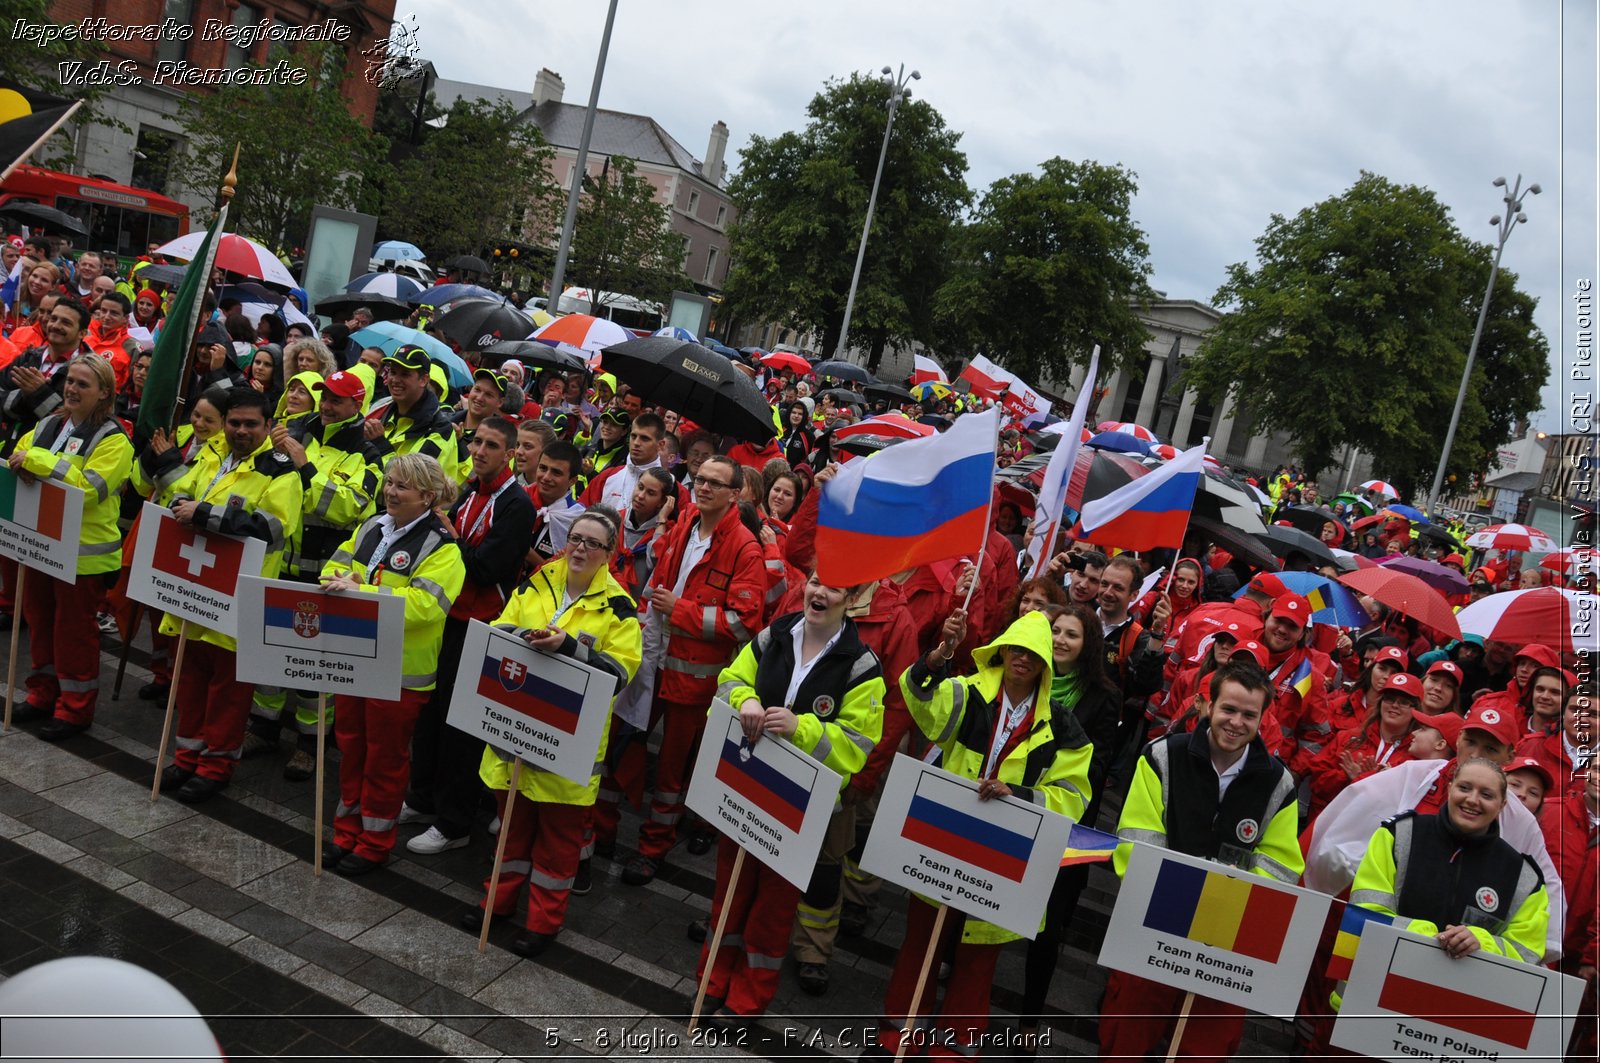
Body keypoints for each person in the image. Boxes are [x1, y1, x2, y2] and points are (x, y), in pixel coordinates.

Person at [868, 609, 1091, 1058]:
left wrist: (1021, 796)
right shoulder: (966, 692)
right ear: (1002, 650)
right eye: (1015, 648)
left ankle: (951, 1053)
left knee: (976, 963)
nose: (1021, 658)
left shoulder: (1065, 730)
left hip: (1004, 855)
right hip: (945, 838)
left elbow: (1073, 798)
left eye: (1032, 653)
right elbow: (917, 698)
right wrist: (936, 660)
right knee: (920, 948)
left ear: (1045, 664)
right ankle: (896, 1043)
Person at [698, 572, 884, 1021]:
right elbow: (729, 679)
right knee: (730, 891)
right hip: (745, 785)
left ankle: (747, 1000)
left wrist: (803, 729)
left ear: (853, 597)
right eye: (817, 581)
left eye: (836, 587)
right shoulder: (774, 634)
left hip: (797, 807)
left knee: (774, 909)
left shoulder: (862, 666)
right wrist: (744, 699)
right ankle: (712, 981)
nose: (820, 592)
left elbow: (858, 744)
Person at [1099, 659, 1301, 1061]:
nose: (1236, 722)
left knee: (1203, 1049)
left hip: (1226, 944)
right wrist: (1192, 891)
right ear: (1207, 706)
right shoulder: (1161, 755)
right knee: (1125, 1039)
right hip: (1156, 923)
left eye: (1249, 714)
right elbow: (1136, 839)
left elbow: (1281, 866)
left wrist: (1231, 895)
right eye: (1228, 709)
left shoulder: (1279, 783)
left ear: (1263, 719)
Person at [464, 509, 641, 955]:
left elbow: (620, 674)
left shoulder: (620, 607)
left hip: (567, 743)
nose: (580, 548)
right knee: (510, 831)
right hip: (515, 728)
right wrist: (526, 635)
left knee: (558, 847)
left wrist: (568, 647)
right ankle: (496, 904)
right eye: (575, 539)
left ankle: (543, 923)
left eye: (592, 543)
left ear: (609, 553)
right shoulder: (537, 581)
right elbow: (501, 626)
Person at [604, 455, 766, 885]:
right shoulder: (685, 526)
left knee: (673, 770)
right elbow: (656, 581)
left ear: (735, 494)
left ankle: (653, 847)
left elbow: (743, 622)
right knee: (622, 740)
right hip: (651, 661)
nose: (704, 487)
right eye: (699, 480)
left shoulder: (745, 547)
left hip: (693, 680)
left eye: (715, 482)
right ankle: (602, 829)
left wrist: (684, 611)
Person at [319, 453, 464, 875]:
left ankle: (374, 842)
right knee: (350, 749)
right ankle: (346, 832)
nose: (390, 491)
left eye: (401, 486)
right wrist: (337, 581)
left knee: (385, 759)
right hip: (356, 657)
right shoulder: (371, 525)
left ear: (427, 496)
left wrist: (360, 591)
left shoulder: (443, 546)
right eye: (389, 482)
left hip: (400, 673)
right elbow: (337, 563)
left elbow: (426, 607)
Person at [156, 388, 303, 803]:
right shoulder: (214, 456)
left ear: (269, 426)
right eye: (234, 423)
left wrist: (202, 514)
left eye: (250, 424)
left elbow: (270, 527)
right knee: (191, 682)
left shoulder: (281, 471)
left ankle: (217, 765)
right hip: (195, 590)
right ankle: (187, 757)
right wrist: (185, 500)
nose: (240, 430)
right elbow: (180, 490)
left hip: (239, 598)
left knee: (227, 693)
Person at [404, 416, 536, 855]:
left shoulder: (517, 504)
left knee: (460, 725)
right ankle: (421, 797)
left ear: (510, 453)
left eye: (491, 445)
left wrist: (448, 532)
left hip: (481, 625)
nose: (479, 450)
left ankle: (454, 822)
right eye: (476, 441)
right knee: (428, 713)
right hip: (447, 615)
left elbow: (484, 568)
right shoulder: (465, 491)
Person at [245, 370, 382, 776]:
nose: (325, 405)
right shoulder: (297, 430)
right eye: (324, 397)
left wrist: (306, 470)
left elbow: (350, 509)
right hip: (280, 562)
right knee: (270, 653)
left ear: (357, 404)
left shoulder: (369, 452)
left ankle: (311, 742)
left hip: (323, 574)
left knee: (316, 663)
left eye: (336, 400)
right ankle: (262, 727)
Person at [1339, 760, 1548, 1012]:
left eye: (1487, 794)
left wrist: (1481, 942)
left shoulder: (1524, 878)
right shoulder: (1398, 835)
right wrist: (1429, 937)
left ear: (1502, 805)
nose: (1472, 800)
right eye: (1464, 787)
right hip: (1367, 1003)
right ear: (1449, 788)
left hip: (1451, 1024)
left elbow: (1526, 955)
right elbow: (1365, 912)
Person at [7, 355, 132, 739]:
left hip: (83, 556)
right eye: (70, 381)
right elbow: (19, 457)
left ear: (104, 394)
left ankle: (75, 710)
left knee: (74, 633)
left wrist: (38, 460)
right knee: (40, 624)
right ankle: (42, 693)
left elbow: (89, 489)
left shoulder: (115, 439)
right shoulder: (47, 424)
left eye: (83, 384)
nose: (72, 389)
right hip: (40, 542)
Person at [1015, 603, 1121, 1051]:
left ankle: (1028, 1018)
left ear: (1088, 644)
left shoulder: (1104, 696)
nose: (1059, 640)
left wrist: (1040, 775)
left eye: (1071, 634)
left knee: (1048, 926)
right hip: (1012, 809)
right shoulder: (1023, 677)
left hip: (1066, 826)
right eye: (1055, 630)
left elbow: (1096, 767)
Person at [1308, 671, 1423, 816]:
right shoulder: (1347, 737)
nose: (1395, 705)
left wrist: (1365, 780)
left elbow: (1411, 803)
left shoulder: (1417, 753)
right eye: (1389, 699)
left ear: (1417, 709)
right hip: (1333, 824)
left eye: (1404, 702)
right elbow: (1316, 783)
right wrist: (1345, 777)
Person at [364, 345, 459, 472]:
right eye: (393, 372)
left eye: (405, 374)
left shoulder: (440, 430)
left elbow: (409, 482)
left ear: (424, 380)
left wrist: (380, 445)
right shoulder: (381, 408)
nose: (395, 380)